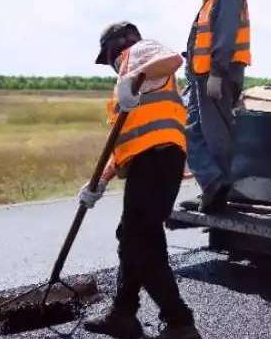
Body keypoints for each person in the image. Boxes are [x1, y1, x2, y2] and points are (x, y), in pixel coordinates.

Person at [80, 22, 200, 339]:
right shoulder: (127, 87)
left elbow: (174, 59)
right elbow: (123, 142)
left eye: (108, 59)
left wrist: (132, 75)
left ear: (115, 48)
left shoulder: (139, 52)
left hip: (159, 158)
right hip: (149, 163)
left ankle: (179, 321)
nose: (111, 67)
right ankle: (123, 314)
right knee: (138, 238)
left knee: (139, 239)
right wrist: (99, 183)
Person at [183, 0, 250, 213]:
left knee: (216, 136)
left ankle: (219, 189)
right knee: (196, 130)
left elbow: (225, 38)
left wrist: (216, 74)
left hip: (217, 75)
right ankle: (213, 186)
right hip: (203, 75)